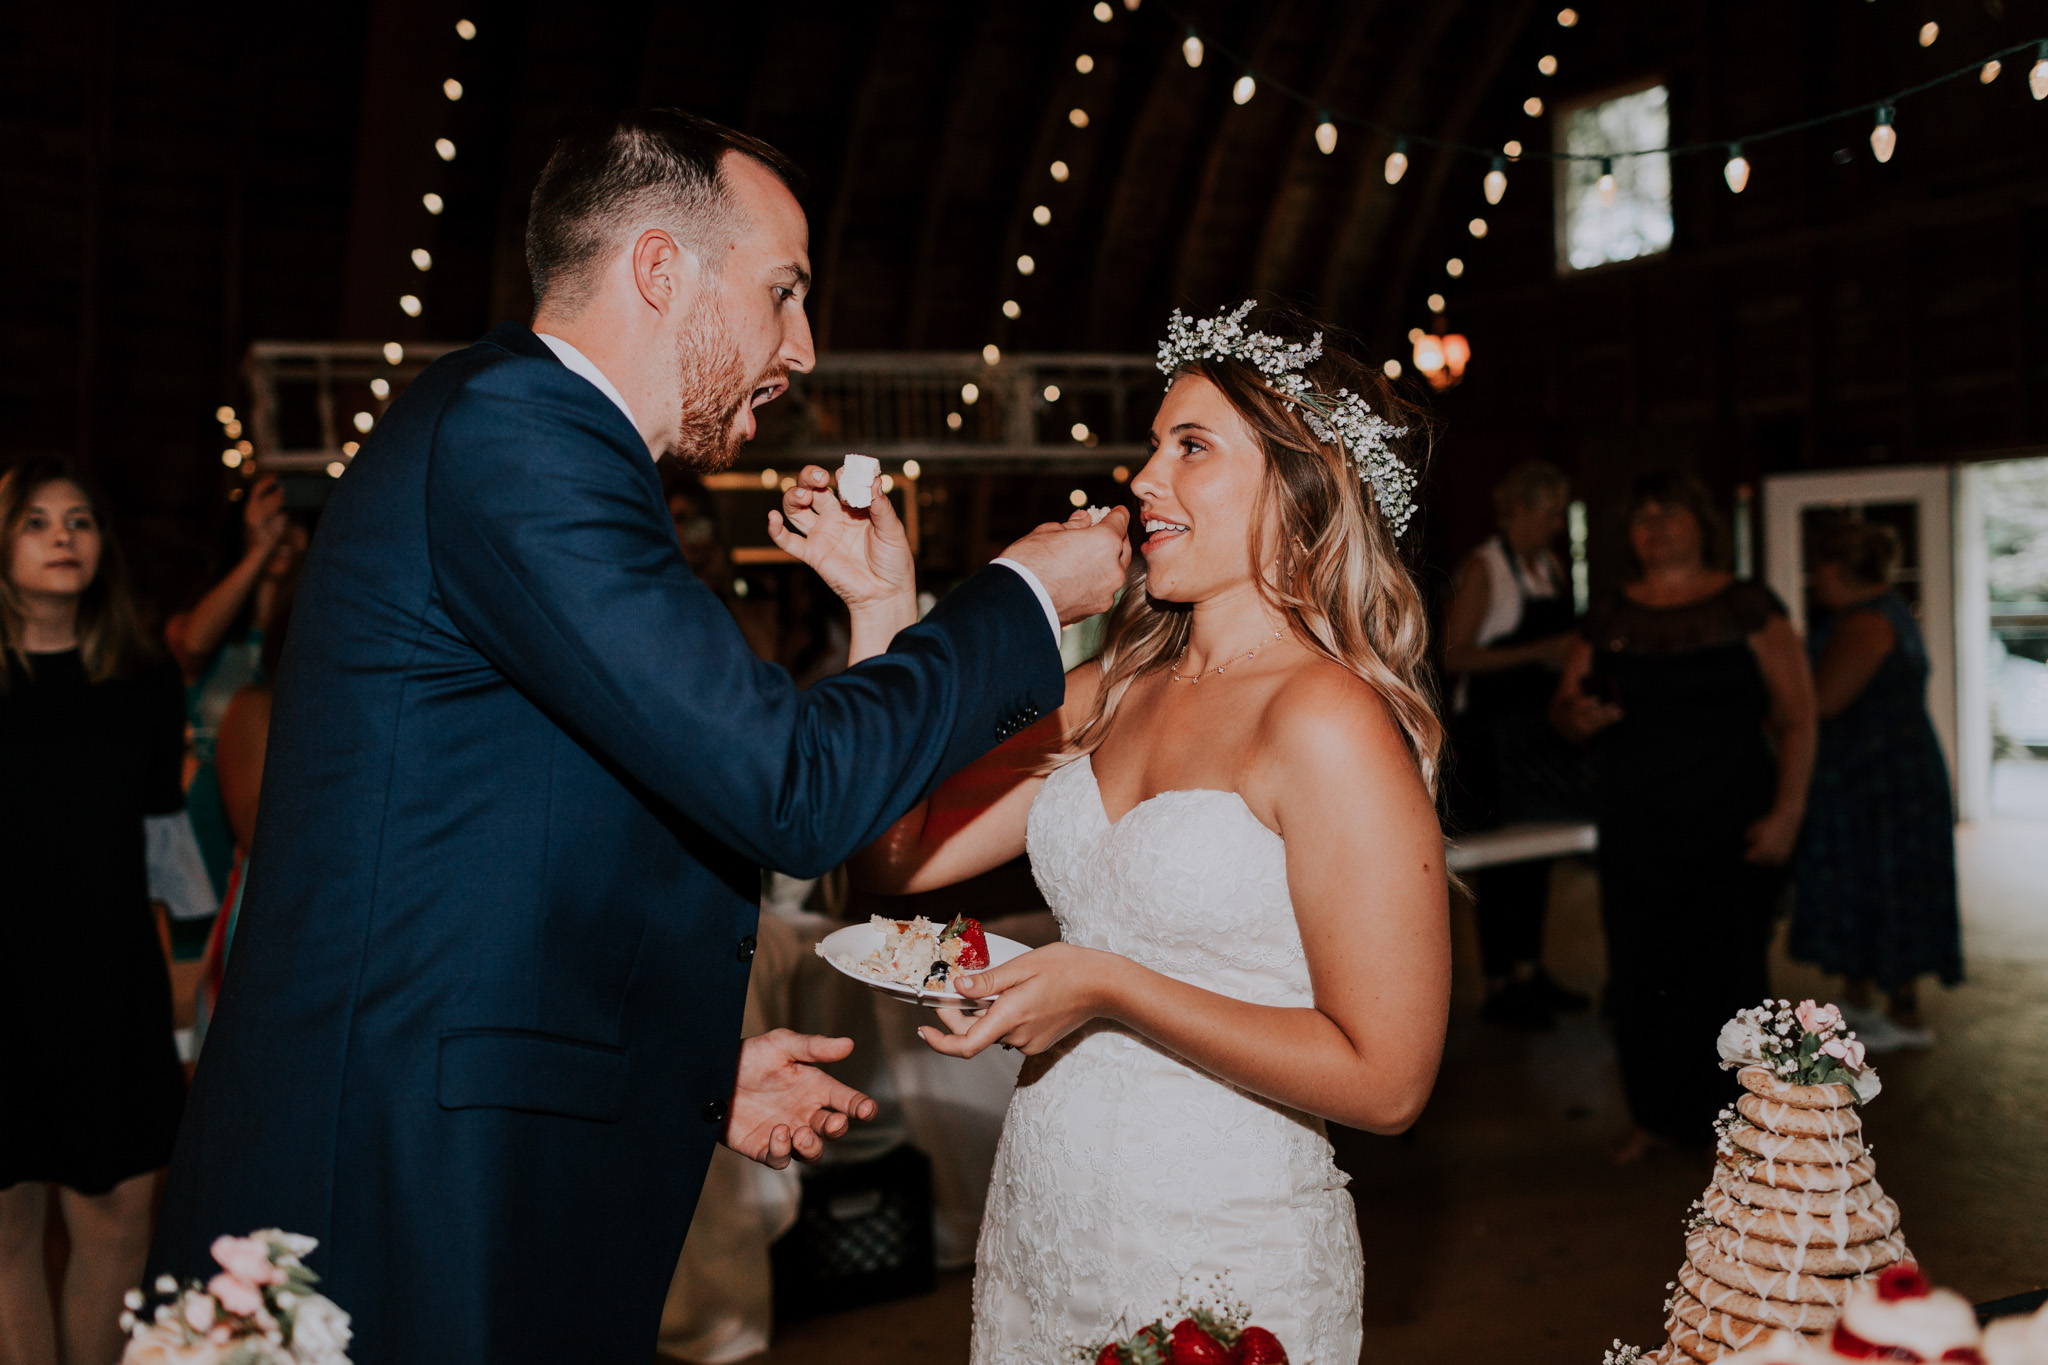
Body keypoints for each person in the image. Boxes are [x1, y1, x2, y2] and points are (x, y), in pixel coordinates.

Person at [148, 109, 1130, 1365]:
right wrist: (1026, 597)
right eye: (782, 293)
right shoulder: (519, 435)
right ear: (660, 269)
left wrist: (693, 1073)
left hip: (454, 1143)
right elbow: (788, 784)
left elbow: (525, 852)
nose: (805, 348)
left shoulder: (528, 443)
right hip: (402, 1181)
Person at [842, 301, 1451, 1363]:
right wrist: (879, 610)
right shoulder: (1110, 692)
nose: (1142, 480)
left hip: (1221, 1250)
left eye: (1191, 448)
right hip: (1045, 1217)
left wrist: (1108, 984)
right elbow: (895, 851)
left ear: (1299, 487)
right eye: (1153, 445)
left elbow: (1388, 1080)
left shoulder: (1325, 720)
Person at [1552, 472, 1816, 1164]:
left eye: (1669, 511)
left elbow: (1797, 717)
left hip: (1734, 815)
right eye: (1641, 515)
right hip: (1637, 820)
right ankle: (1655, 1116)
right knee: (1642, 973)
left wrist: (1787, 812)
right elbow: (1564, 709)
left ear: (1703, 523)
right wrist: (1577, 717)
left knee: (1731, 972)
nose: (1655, 523)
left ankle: (1744, 1123)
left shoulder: (1748, 605)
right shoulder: (1608, 614)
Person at [0, 459, 187, 1365]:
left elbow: (162, 857)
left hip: (109, 990)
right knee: (6, 1238)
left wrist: (175, 998)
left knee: (117, 1224)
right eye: (37, 521)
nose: (64, 536)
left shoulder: (143, 680)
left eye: (80, 520)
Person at [1791, 519, 1959, 1048]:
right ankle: (1868, 1005)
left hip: (1879, 783)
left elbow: (1823, 702)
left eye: (1818, 568)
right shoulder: (1882, 612)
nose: (1814, 579)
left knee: (1884, 888)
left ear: (1836, 569)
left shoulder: (1866, 624)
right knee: (1881, 888)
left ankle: (1901, 1018)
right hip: (1883, 775)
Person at [1442, 459, 1588, 1029]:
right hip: (1492, 735)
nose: (1555, 523)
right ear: (1520, 510)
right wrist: (1539, 651)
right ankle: (1501, 983)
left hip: (1541, 728)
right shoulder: (1485, 568)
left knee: (1539, 857)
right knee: (1502, 863)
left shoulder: (1547, 566)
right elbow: (1454, 656)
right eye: (1549, 511)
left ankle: (1531, 968)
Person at [164, 473, 306, 904]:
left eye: (292, 522)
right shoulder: (203, 625)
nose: (280, 531)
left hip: (287, 807)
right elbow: (191, 646)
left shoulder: (315, 633)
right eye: (269, 521)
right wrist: (259, 551)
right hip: (207, 809)